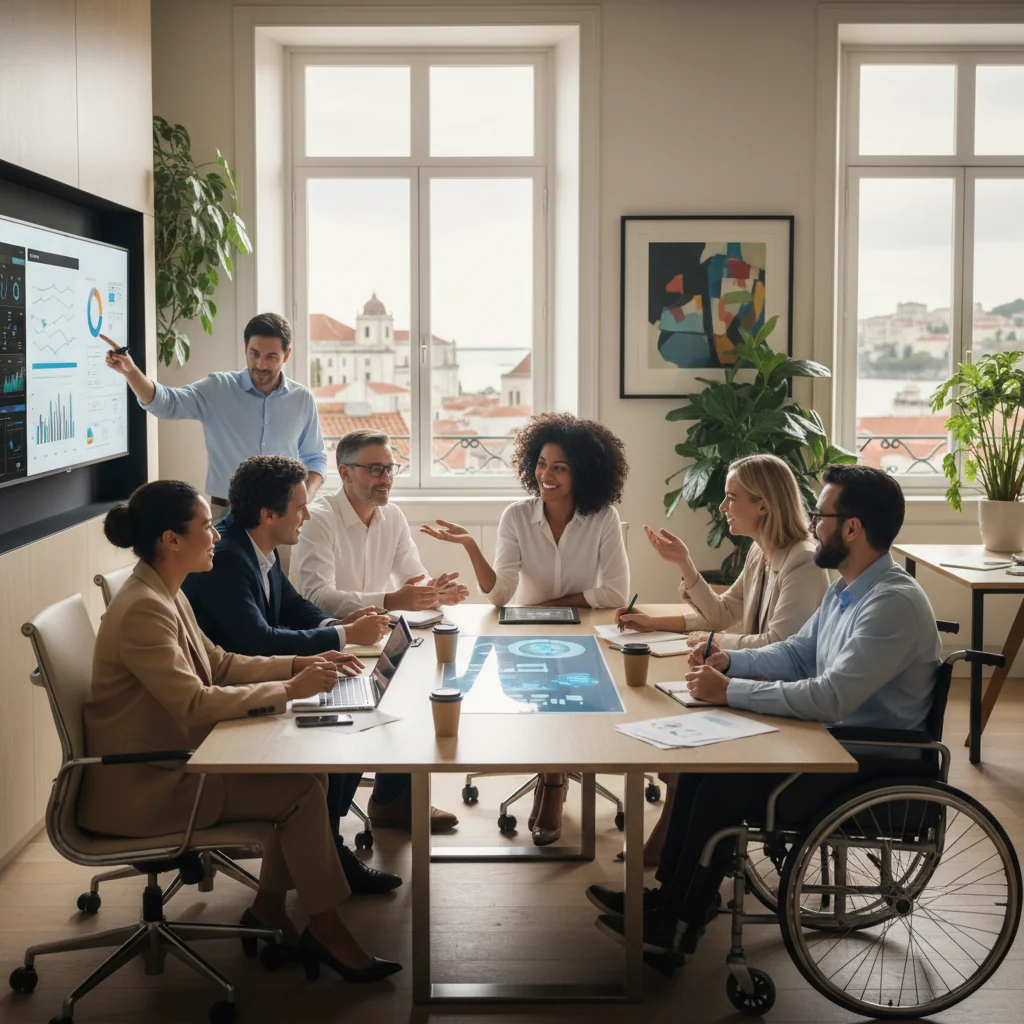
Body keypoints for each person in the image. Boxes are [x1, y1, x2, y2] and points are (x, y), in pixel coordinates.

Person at [586, 465, 942, 959]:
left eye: (821, 515)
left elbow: (829, 696)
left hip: (864, 763)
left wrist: (730, 691)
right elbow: (795, 654)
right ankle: (671, 901)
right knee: (698, 767)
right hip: (828, 742)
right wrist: (730, 660)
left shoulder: (891, 604)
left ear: (852, 528)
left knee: (721, 782)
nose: (813, 524)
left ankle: (677, 914)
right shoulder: (847, 590)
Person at [79, 480, 400, 981]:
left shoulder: (162, 589)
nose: (216, 535)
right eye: (206, 525)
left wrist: (303, 662)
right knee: (300, 790)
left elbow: (222, 664)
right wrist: (292, 690)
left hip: (171, 762)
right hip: (146, 784)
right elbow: (193, 703)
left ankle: (271, 911)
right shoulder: (146, 608)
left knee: (307, 779)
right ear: (171, 540)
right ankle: (325, 928)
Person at [181, 455, 402, 895]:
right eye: (300, 508)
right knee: (343, 735)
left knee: (353, 719)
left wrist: (334, 630)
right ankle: (329, 850)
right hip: (232, 696)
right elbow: (258, 641)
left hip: (254, 677)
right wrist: (341, 637)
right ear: (268, 514)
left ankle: (328, 843)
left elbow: (295, 605)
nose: (306, 514)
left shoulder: (255, 546)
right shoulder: (226, 558)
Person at [421, 412, 630, 846]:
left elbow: (615, 593)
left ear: (583, 473)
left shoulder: (603, 518)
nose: (545, 475)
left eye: (559, 467)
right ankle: (553, 780)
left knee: (574, 694)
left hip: (587, 636)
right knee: (544, 696)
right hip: (525, 637)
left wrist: (549, 606)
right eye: (540, 463)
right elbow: (499, 596)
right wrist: (470, 547)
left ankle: (551, 783)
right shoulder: (516, 516)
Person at [615, 453, 829, 864]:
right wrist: (680, 572)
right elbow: (721, 614)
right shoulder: (760, 551)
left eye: (732, 498)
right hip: (752, 680)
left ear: (763, 504)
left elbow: (778, 643)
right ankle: (676, 841)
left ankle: (675, 847)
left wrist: (714, 641)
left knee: (678, 719)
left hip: (777, 691)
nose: (723, 506)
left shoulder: (802, 558)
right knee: (668, 712)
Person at [104, 312, 327, 520]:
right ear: (245, 348)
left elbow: (316, 458)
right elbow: (165, 403)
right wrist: (131, 372)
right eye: (254, 354)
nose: (261, 364)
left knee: (285, 565)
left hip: (283, 517)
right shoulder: (218, 388)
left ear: (286, 355)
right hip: (228, 514)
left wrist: (302, 501)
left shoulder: (302, 399)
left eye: (271, 357)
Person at [292, 429, 469, 619]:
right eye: (375, 470)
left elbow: (411, 576)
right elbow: (318, 598)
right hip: (323, 638)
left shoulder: (393, 516)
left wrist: (431, 593)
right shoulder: (317, 520)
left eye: (390, 468)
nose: (386, 479)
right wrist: (390, 601)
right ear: (345, 473)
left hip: (375, 633)